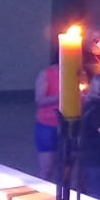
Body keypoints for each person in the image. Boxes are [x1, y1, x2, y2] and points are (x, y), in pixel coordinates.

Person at [33, 47, 63, 178]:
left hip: (68, 125)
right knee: (47, 167)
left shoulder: (78, 74)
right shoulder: (46, 74)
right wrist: (62, 96)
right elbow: (40, 100)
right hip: (48, 125)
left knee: (66, 166)